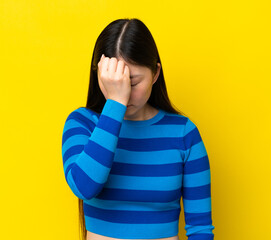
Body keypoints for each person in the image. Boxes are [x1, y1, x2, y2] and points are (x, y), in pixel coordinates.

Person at [61, 18, 215, 240]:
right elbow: (84, 187)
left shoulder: (184, 134)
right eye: (115, 82)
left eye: (132, 83)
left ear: (155, 73)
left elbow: (200, 229)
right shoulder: (83, 123)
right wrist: (114, 105)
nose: (124, 93)